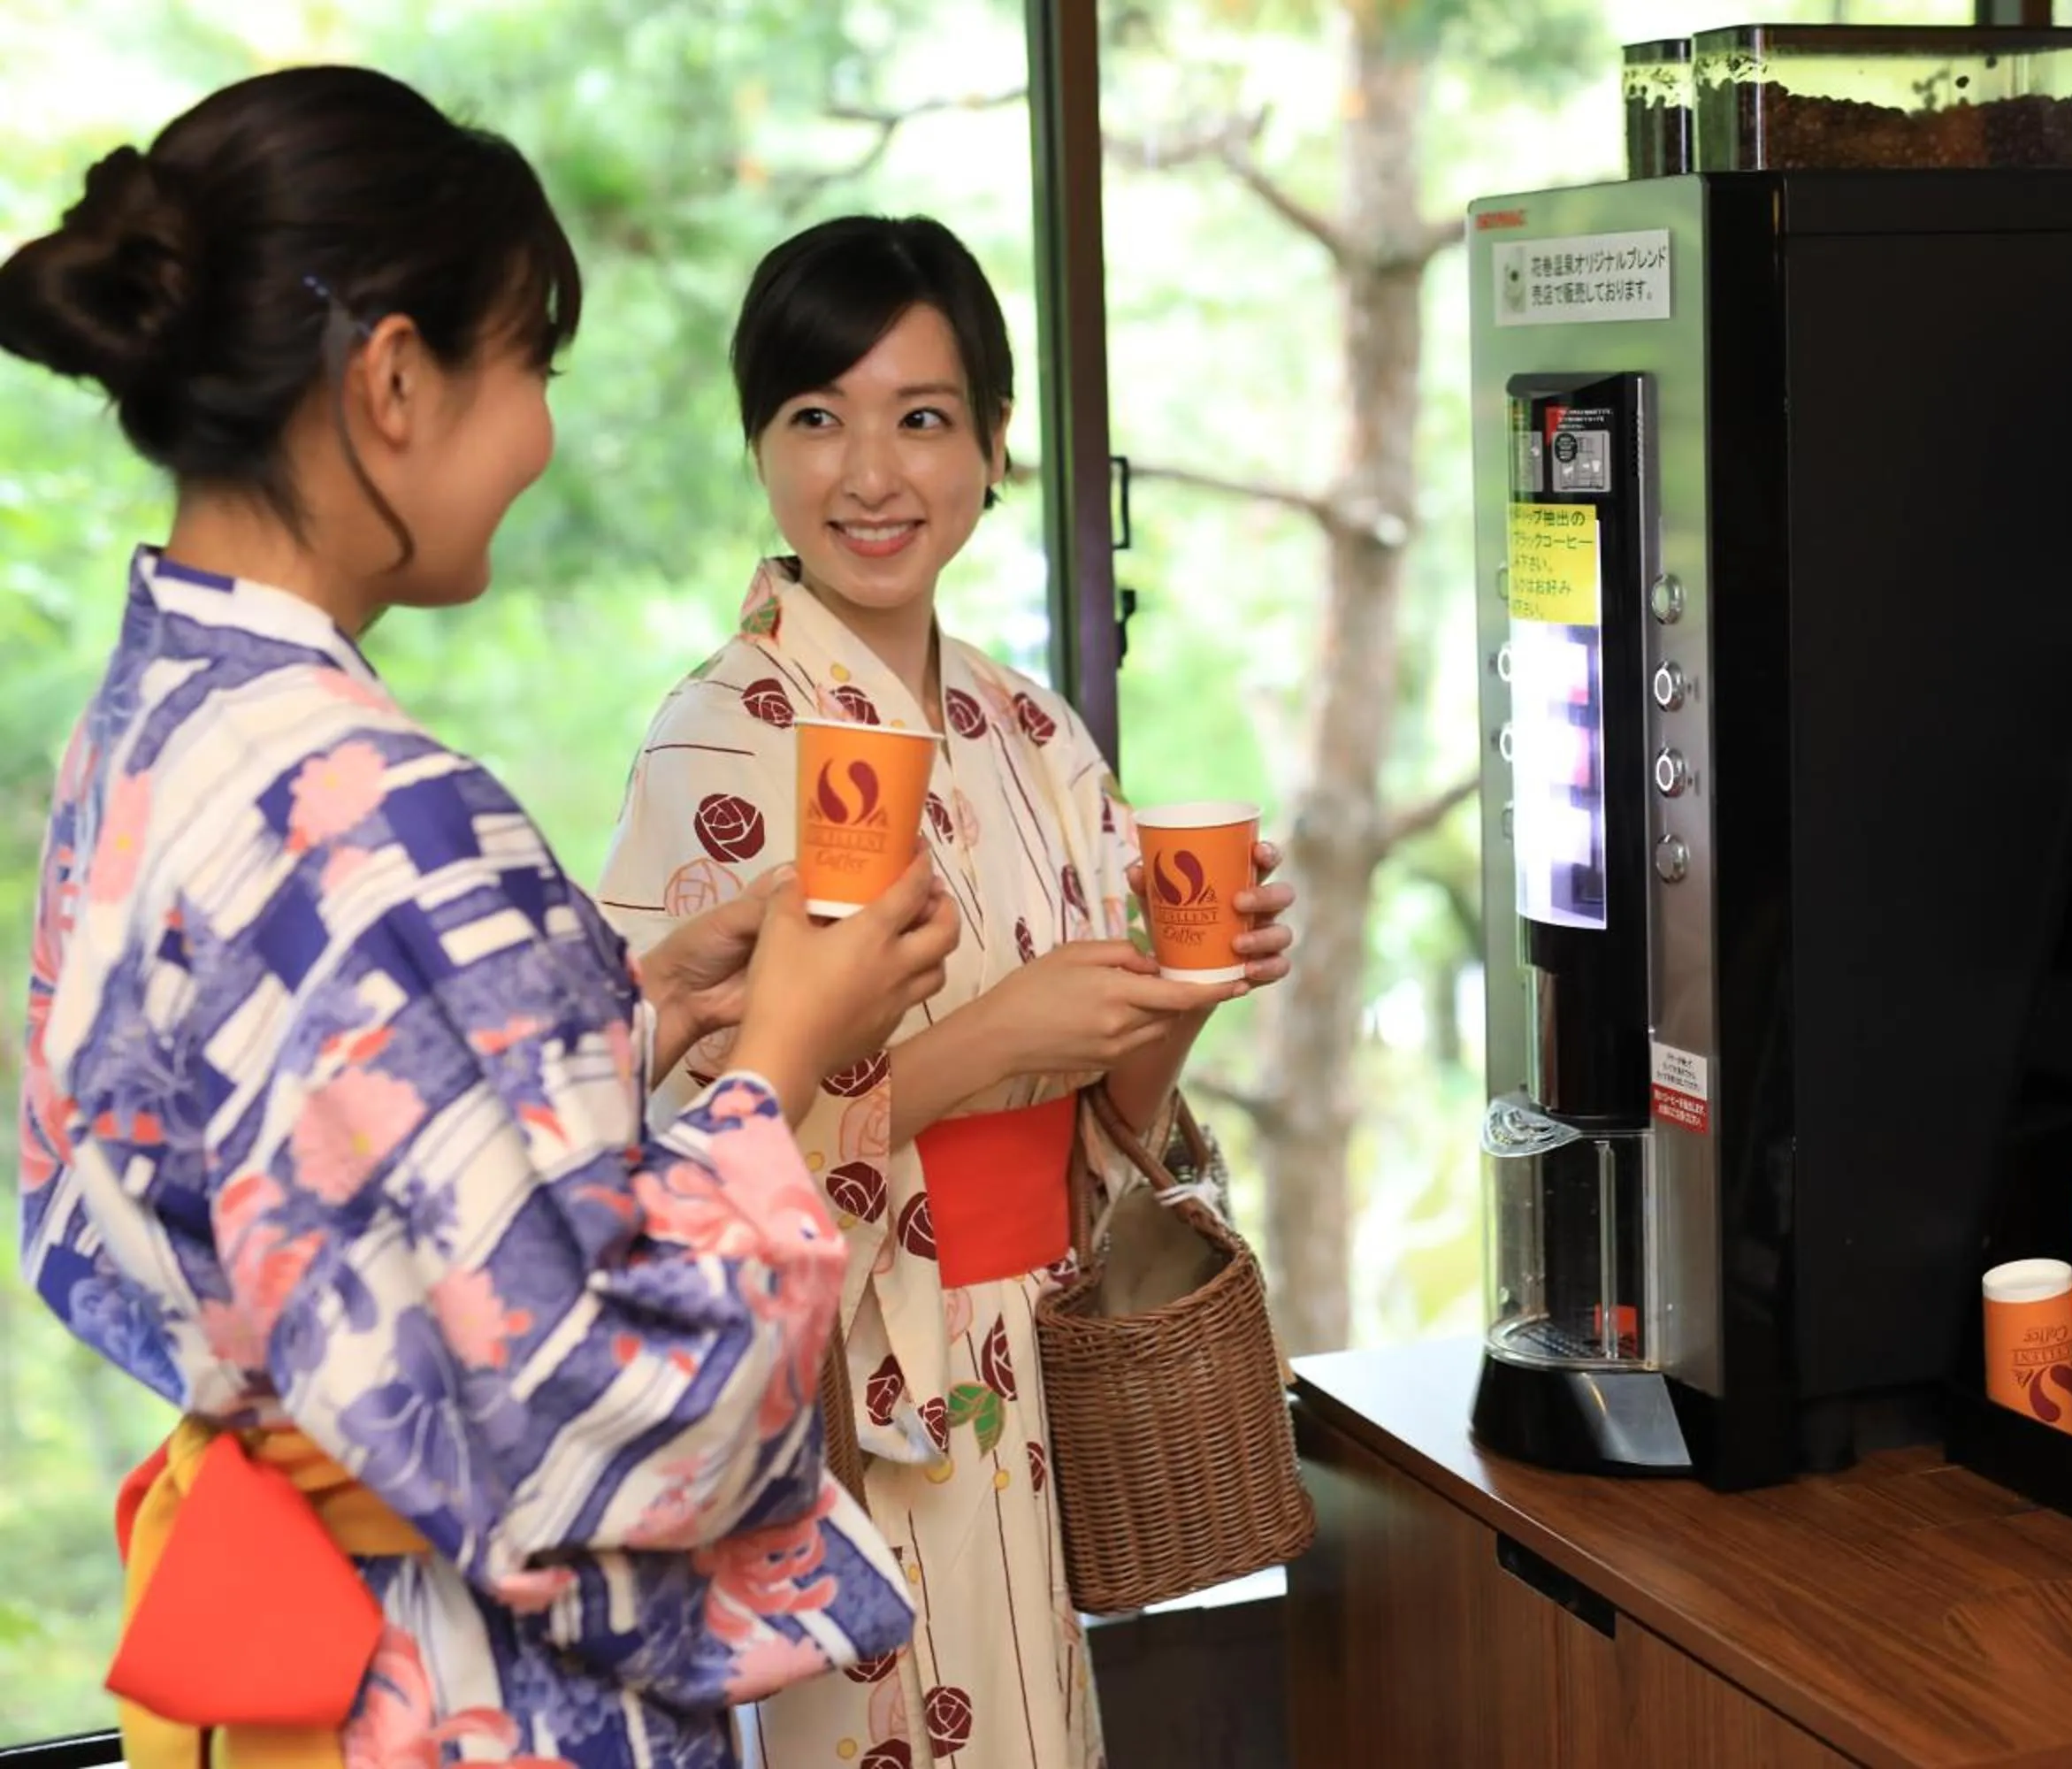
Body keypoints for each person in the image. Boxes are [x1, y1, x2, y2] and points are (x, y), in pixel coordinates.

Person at [4, 67, 962, 1768]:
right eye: (531, 368)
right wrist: (785, 1067)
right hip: (445, 1692)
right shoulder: (386, 816)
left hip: (289, 1652)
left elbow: (291, 1158)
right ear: (392, 382)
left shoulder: (148, 729)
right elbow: (611, 1414)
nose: (539, 435)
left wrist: (632, 1009)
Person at [595, 215, 1295, 1767]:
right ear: (759, 450)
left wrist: (1183, 989)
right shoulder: (717, 740)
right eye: (814, 420)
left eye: (920, 419)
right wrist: (998, 1037)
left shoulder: (1027, 725)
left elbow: (1114, 1126)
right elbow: (671, 1153)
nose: (869, 473)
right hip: (854, 1384)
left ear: (992, 447)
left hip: (1031, 1365)